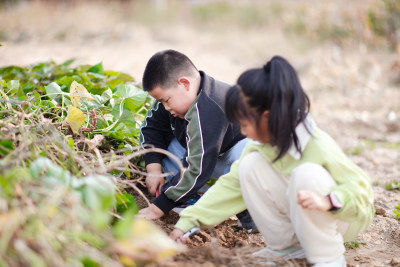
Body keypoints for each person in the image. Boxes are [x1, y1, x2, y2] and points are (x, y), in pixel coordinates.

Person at [170, 56, 374, 267]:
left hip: (342, 218)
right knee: (248, 167)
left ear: (266, 117)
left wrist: (329, 201)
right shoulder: (259, 146)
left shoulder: (315, 143)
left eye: (244, 123)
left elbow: (362, 191)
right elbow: (230, 186)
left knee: (306, 175)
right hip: (305, 214)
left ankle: (327, 258)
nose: (241, 130)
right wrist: (188, 221)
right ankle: (286, 248)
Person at [138, 49, 256, 232]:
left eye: (166, 100)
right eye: (161, 102)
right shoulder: (173, 98)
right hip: (204, 153)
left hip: (233, 153)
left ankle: (247, 206)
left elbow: (197, 168)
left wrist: (158, 207)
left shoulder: (210, 107)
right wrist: (153, 167)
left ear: (184, 83)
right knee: (166, 152)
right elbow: (151, 128)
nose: (165, 107)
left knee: (248, 161)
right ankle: (191, 198)